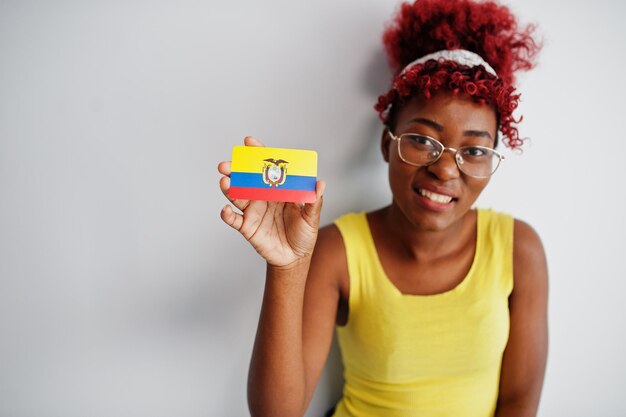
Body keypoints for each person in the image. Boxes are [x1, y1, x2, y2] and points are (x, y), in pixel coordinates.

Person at [217, 0, 548, 415]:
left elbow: (519, 402)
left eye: (475, 149)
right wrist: (287, 268)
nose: (445, 169)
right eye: (423, 140)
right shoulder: (339, 250)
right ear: (386, 144)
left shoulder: (520, 250)